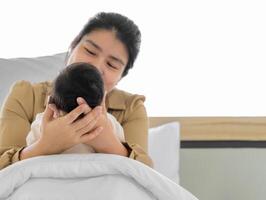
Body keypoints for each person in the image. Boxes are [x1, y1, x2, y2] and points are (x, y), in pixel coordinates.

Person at [0, 12, 153, 170]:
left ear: (121, 76)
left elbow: (148, 174)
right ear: (73, 47)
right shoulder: (25, 95)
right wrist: (45, 146)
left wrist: (109, 143)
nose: (96, 66)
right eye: (90, 51)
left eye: (112, 65)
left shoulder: (131, 108)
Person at [26, 62, 125, 154]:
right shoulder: (110, 125)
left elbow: (29, 149)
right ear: (102, 100)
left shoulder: (42, 125)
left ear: (53, 105)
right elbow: (124, 151)